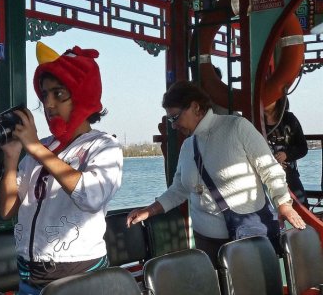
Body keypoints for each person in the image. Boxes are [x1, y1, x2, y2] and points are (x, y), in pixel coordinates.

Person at [126, 81, 306, 268]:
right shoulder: (188, 146)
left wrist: (284, 204)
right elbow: (179, 189)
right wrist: (149, 211)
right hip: (205, 242)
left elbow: (270, 170)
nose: (173, 126)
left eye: (175, 117)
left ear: (196, 107)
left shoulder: (236, 127)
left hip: (244, 237)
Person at [0, 42, 123, 295]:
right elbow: (6, 210)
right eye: (45, 95)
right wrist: (12, 159)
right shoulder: (40, 148)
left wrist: (35, 148)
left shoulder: (104, 146)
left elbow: (91, 197)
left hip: (79, 280)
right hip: (29, 278)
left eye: (59, 94)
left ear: (82, 95)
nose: (49, 104)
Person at [264, 96, 309, 207]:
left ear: (279, 100)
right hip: (264, 176)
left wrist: (286, 155)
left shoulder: (289, 119)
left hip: (289, 173)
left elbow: (303, 148)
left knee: (302, 206)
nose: (265, 100)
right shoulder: (254, 119)